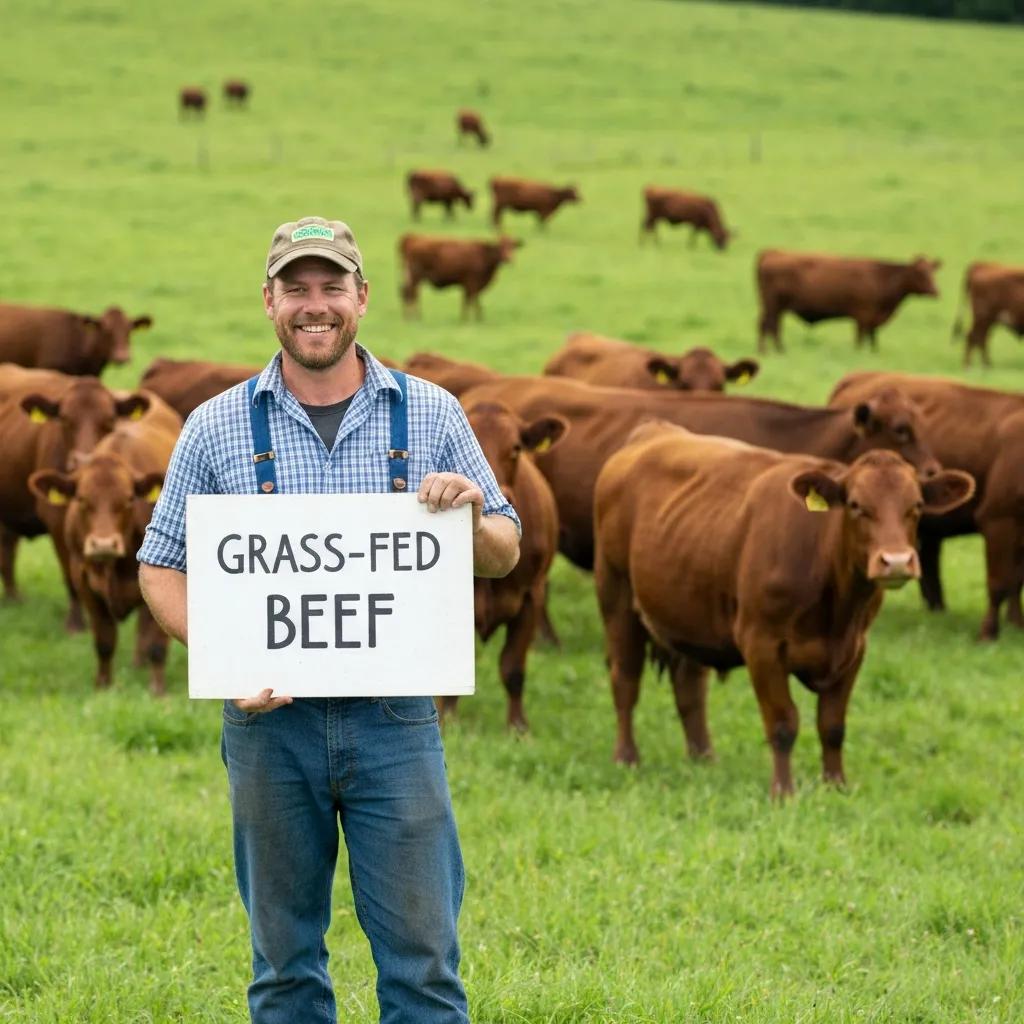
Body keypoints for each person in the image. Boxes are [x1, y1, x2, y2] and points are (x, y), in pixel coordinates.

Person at [138, 216, 520, 1024]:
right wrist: (223, 652)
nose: (317, 306)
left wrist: (473, 515)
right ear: (269, 300)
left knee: (424, 968)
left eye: (332, 286)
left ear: (363, 298)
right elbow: (159, 563)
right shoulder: (214, 425)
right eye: (297, 289)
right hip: (270, 728)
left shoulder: (431, 413)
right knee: (284, 970)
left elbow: (506, 551)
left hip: (396, 724)